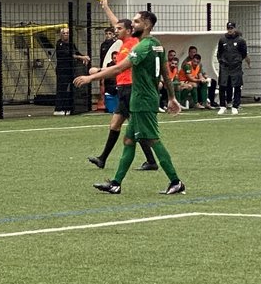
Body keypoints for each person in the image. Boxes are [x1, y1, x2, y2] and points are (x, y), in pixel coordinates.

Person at [74, 11, 186, 195]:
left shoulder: (141, 48)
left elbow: (118, 68)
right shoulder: (157, 45)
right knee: (128, 140)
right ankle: (116, 183)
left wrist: (90, 78)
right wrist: (172, 97)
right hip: (140, 99)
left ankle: (176, 181)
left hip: (143, 100)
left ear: (147, 25)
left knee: (152, 140)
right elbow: (165, 73)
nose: (132, 25)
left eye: (136, 22)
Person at [87, 0, 157, 171]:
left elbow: (120, 68)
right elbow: (117, 23)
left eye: (119, 29)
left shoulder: (134, 41)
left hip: (131, 88)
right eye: (115, 28)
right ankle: (103, 158)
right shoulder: (124, 42)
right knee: (116, 124)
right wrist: (106, 7)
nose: (116, 30)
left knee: (136, 127)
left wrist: (94, 76)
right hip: (124, 89)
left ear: (128, 30)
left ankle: (152, 161)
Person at [54, 27, 91, 116]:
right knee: (61, 89)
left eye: (67, 33)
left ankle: (70, 108)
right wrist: (80, 57)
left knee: (72, 88)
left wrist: (85, 56)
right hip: (62, 70)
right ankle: (59, 109)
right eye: (64, 33)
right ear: (61, 35)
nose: (66, 34)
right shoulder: (60, 44)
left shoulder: (71, 44)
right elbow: (69, 54)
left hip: (72, 70)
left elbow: (76, 52)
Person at [216, 21, 249, 115]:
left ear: (234, 28)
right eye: (228, 28)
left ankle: (235, 106)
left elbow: (244, 53)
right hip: (225, 67)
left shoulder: (240, 41)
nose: (230, 30)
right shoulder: (222, 40)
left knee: (237, 86)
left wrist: (237, 61)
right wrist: (221, 61)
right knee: (223, 85)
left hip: (236, 67)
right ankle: (222, 106)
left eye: (231, 28)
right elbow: (219, 52)